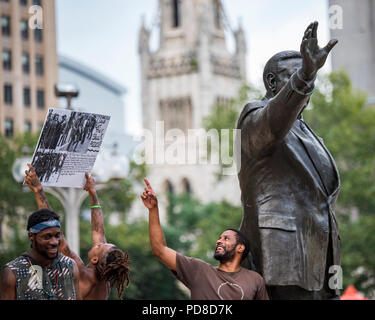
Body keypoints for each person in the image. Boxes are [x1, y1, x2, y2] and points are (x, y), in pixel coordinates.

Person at [236, 21, 340, 299]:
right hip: (281, 256)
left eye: (312, 78)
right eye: (297, 75)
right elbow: (273, 122)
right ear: (272, 83)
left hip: (321, 258)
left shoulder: (307, 130)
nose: (309, 86)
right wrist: (306, 74)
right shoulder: (255, 117)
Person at [141, 178, 269, 300]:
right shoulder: (199, 271)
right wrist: (153, 210)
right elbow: (159, 250)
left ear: (240, 247)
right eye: (219, 238)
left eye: (226, 239)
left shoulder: (255, 280)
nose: (219, 241)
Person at [24, 164, 130, 300]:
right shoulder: (105, 281)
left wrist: (38, 190)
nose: (100, 242)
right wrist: (93, 193)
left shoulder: (82, 272)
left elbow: (59, 240)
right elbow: (99, 232)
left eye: (100, 246)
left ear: (95, 259)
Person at [0, 209, 81, 300]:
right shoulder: (13, 272)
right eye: (47, 237)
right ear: (31, 236)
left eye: (57, 235)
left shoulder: (70, 266)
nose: (54, 242)